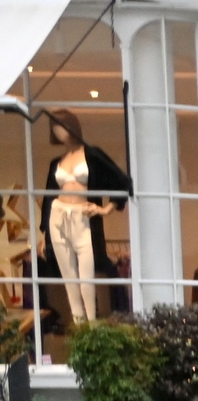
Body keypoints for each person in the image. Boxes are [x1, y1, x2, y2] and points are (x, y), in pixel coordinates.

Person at [40, 111, 128, 326]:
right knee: (70, 280)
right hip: (58, 216)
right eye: (54, 127)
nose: (58, 131)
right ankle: (80, 327)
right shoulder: (56, 162)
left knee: (87, 278)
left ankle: (91, 325)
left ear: (72, 126)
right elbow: (48, 197)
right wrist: (43, 234)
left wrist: (106, 209)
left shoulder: (92, 154)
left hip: (83, 218)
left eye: (61, 125)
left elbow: (121, 181)